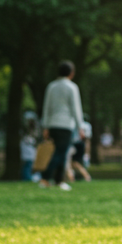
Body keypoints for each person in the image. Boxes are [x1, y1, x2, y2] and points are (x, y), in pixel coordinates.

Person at [40, 61, 84, 191]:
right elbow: (76, 108)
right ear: (71, 73)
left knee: (60, 152)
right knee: (60, 153)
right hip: (65, 125)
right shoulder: (72, 87)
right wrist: (80, 126)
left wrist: (46, 126)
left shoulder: (51, 86)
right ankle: (45, 177)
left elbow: (46, 107)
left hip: (53, 124)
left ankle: (59, 180)